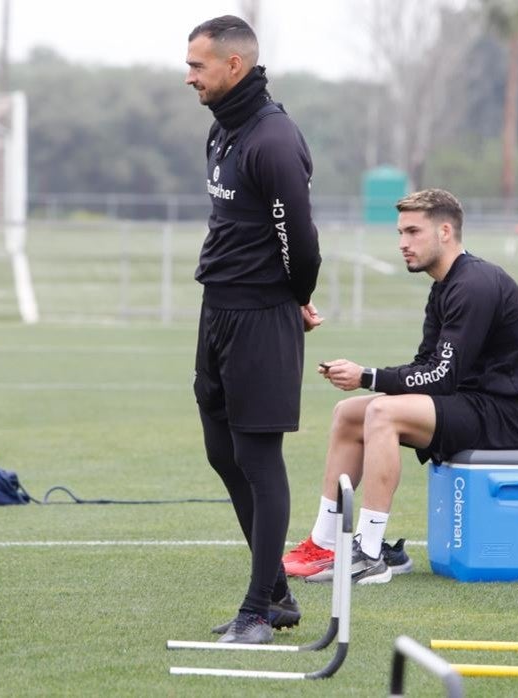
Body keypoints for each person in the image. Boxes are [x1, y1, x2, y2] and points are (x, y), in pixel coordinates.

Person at [283, 188, 518, 585]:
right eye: (400, 233)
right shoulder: (444, 285)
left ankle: (370, 553)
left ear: (445, 232)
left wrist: (367, 376)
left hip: (507, 414)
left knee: (380, 412)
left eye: (412, 232)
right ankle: (326, 542)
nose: (402, 244)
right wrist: (368, 380)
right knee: (348, 415)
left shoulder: (474, 284)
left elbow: (441, 376)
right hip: (471, 400)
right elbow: (428, 365)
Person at [184, 15, 322, 644]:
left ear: (233, 66)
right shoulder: (222, 131)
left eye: (198, 66)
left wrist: (295, 299)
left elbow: (303, 242)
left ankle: (258, 612)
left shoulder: (274, 139)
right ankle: (279, 596)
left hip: (262, 319)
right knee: (222, 453)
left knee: (260, 459)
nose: (189, 76)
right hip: (217, 310)